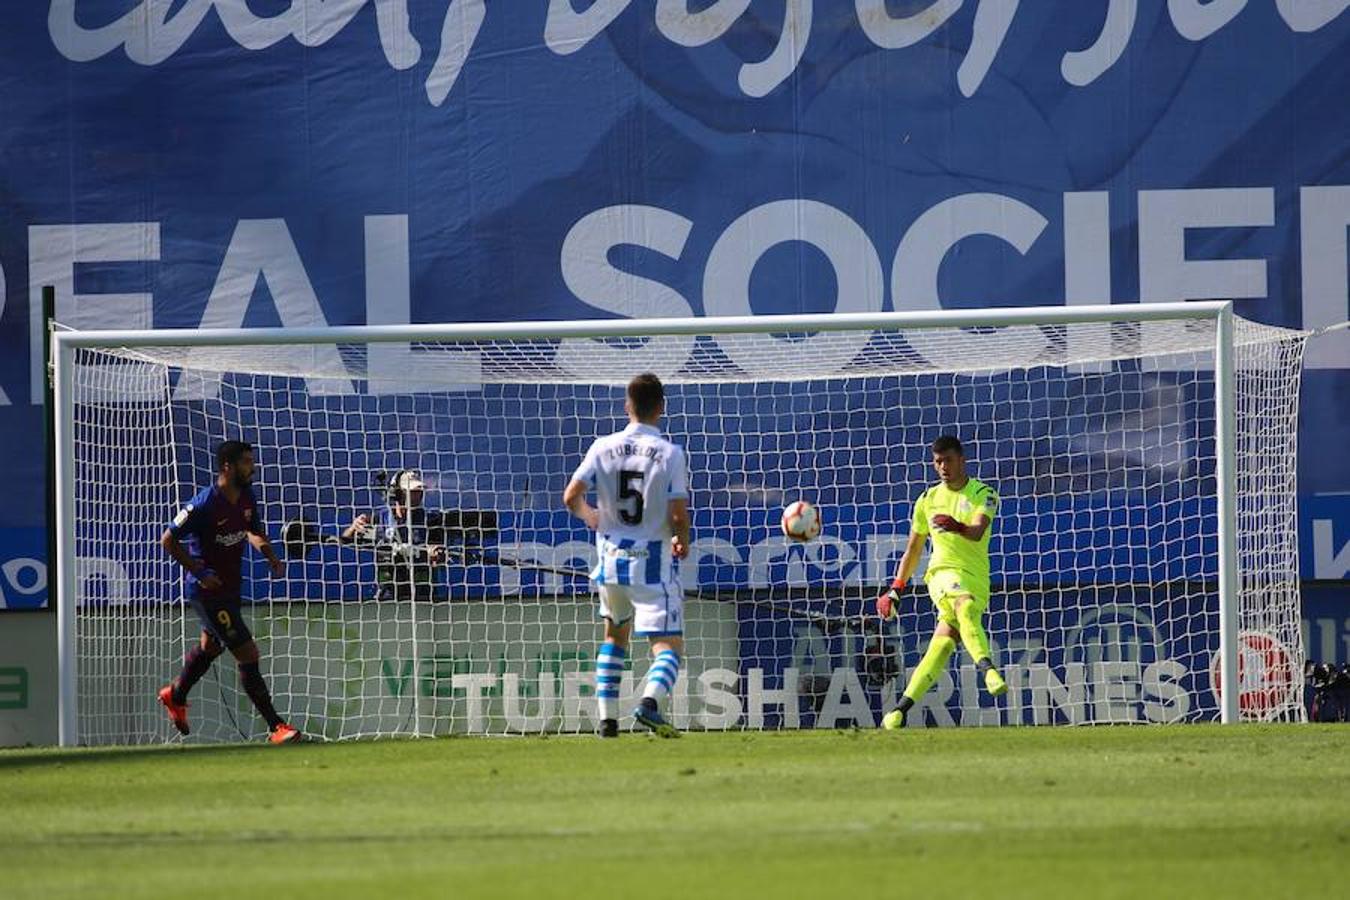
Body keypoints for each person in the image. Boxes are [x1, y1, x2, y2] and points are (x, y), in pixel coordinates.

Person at [563, 373, 691, 738]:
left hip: (610, 562)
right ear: (661, 408)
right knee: (668, 646)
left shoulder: (602, 447)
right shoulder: (670, 453)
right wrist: (682, 540)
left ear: (627, 406)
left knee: (615, 637)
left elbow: (571, 496)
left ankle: (607, 722)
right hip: (651, 564)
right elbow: (678, 515)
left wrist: (591, 517)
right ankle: (650, 704)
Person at [157, 440, 301, 744]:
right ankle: (276, 726)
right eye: (246, 462)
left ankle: (176, 695)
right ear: (227, 467)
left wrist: (270, 555)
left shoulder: (246, 497)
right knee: (247, 653)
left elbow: (253, 531)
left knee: (210, 647)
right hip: (207, 592)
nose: (253, 467)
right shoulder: (203, 504)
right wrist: (200, 572)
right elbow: (168, 539)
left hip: (231, 587)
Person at [877, 435, 1007, 729]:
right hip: (941, 574)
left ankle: (898, 712)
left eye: (948, 460)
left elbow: (976, 532)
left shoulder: (984, 494)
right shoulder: (927, 500)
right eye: (938, 462)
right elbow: (913, 550)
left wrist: (957, 526)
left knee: (943, 644)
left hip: (976, 577)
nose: (943, 467)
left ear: (962, 460)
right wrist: (896, 589)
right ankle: (988, 670)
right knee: (963, 605)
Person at [342, 470, 449, 602]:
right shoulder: (381, 521)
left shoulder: (430, 521)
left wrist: (436, 554)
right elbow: (346, 542)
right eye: (412, 491)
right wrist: (353, 528)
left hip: (423, 597)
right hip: (387, 597)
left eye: (419, 491)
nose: (419, 495)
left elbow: (442, 554)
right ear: (397, 494)